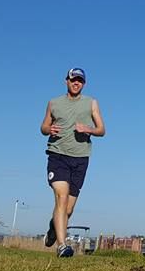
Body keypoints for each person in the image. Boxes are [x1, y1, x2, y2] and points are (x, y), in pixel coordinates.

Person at [40, 67, 106, 258]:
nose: (76, 83)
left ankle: (54, 226)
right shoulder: (54, 103)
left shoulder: (91, 103)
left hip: (80, 158)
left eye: (80, 80)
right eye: (73, 80)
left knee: (67, 210)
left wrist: (88, 129)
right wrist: (48, 129)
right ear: (66, 81)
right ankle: (62, 246)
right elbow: (43, 126)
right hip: (57, 155)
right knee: (61, 197)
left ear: (83, 83)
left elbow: (102, 130)